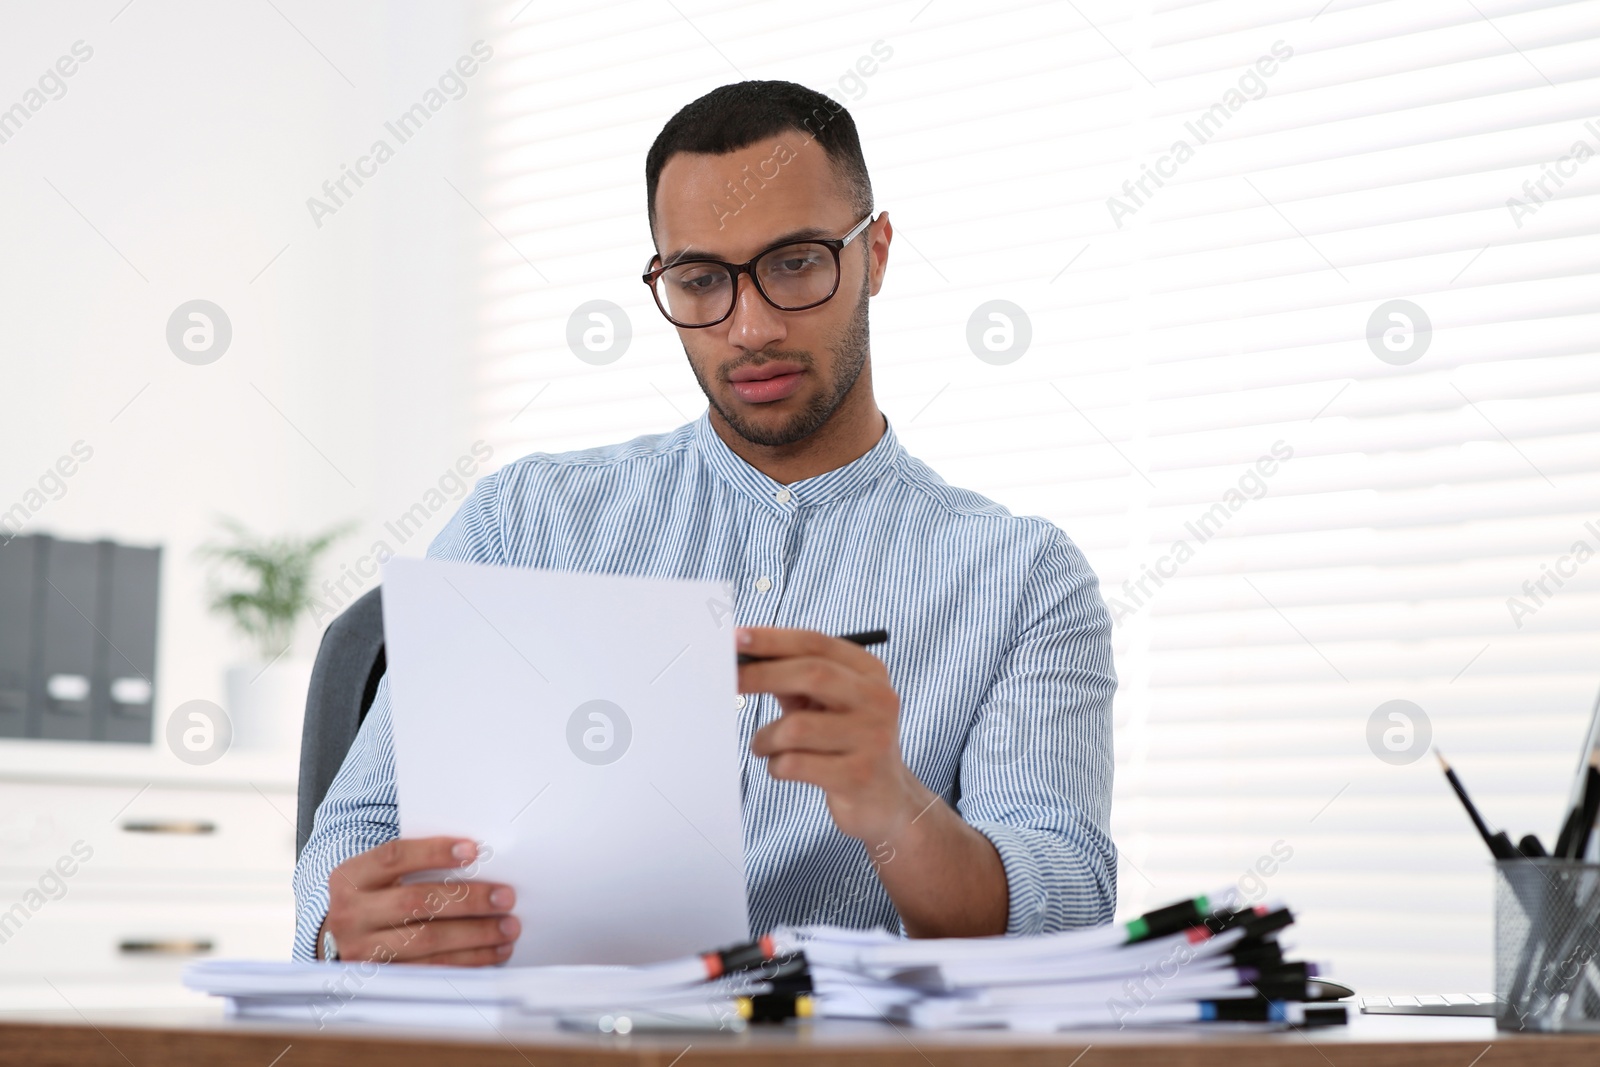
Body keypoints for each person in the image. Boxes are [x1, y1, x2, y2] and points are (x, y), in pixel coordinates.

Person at [292, 79, 1117, 966]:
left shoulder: (1023, 576)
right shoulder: (521, 523)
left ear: (875, 253)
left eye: (797, 262)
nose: (750, 326)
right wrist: (351, 931)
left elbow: (1068, 911)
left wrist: (893, 803)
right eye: (700, 280)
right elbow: (358, 830)